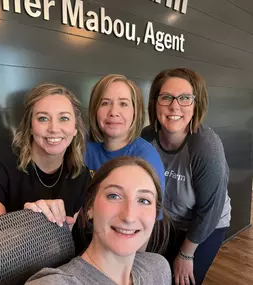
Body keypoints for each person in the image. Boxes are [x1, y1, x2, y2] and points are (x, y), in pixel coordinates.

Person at [141, 67, 231, 285]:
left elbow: (210, 209)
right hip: (166, 222)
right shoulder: (146, 137)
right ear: (155, 102)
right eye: (166, 97)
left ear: (196, 104)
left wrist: (186, 253)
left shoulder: (205, 145)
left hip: (206, 225)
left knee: (182, 280)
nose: (175, 106)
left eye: (184, 98)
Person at [26, 156, 172, 285]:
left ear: (155, 215)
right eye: (114, 196)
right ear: (90, 207)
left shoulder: (158, 269)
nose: (129, 216)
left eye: (144, 200)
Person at [0, 83, 91, 228]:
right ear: (30, 127)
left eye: (64, 118)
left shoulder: (80, 175)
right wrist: (27, 222)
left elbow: (66, 240)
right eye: (43, 118)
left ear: (75, 128)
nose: (54, 129)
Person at [85, 74, 165, 191]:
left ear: (135, 111)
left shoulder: (146, 158)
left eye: (123, 104)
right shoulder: (83, 147)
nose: (113, 112)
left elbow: (152, 208)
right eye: (105, 103)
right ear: (95, 109)